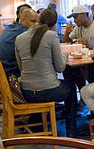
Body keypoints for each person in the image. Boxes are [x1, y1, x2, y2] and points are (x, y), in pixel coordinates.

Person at [14, 9, 79, 137]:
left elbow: (21, 67)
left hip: (26, 91)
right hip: (48, 90)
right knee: (71, 87)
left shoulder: (19, 38)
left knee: (61, 85)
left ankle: (38, 123)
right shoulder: (51, 36)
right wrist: (64, 55)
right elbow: (60, 67)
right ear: (54, 24)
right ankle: (72, 131)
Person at [0, 5, 37, 78]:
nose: (36, 25)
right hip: (10, 76)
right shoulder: (23, 33)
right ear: (22, 20)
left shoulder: (9, 28)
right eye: (33, 21)